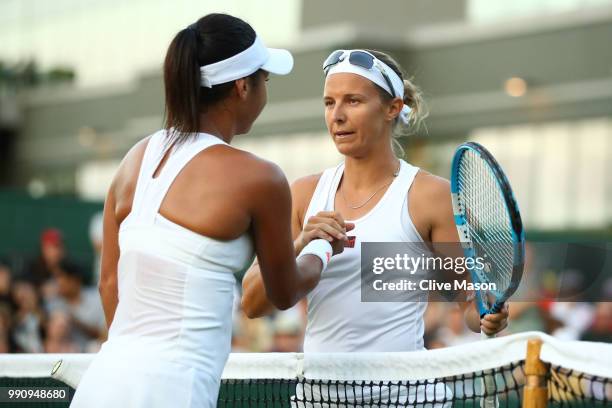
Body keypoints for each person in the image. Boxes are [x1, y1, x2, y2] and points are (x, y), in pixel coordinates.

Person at [70, 13, 344, 408]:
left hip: (101, 384)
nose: (266, 89)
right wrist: (320, 248)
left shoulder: (134, 158)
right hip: (175, 392)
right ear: (242, 86)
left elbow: (110, 285)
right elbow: (284, 292)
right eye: (264, 79)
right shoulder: (260, 177)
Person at [242, 49, 509, 405]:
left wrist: (488, 316)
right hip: (319, 398)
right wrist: (301, 241)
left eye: (353, 100)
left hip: (407, 397)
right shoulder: (303, 194)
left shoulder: (430, 196)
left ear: (392, 108)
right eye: (329, 102)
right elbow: (252, 302)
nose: (337, 116)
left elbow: (468, 302)